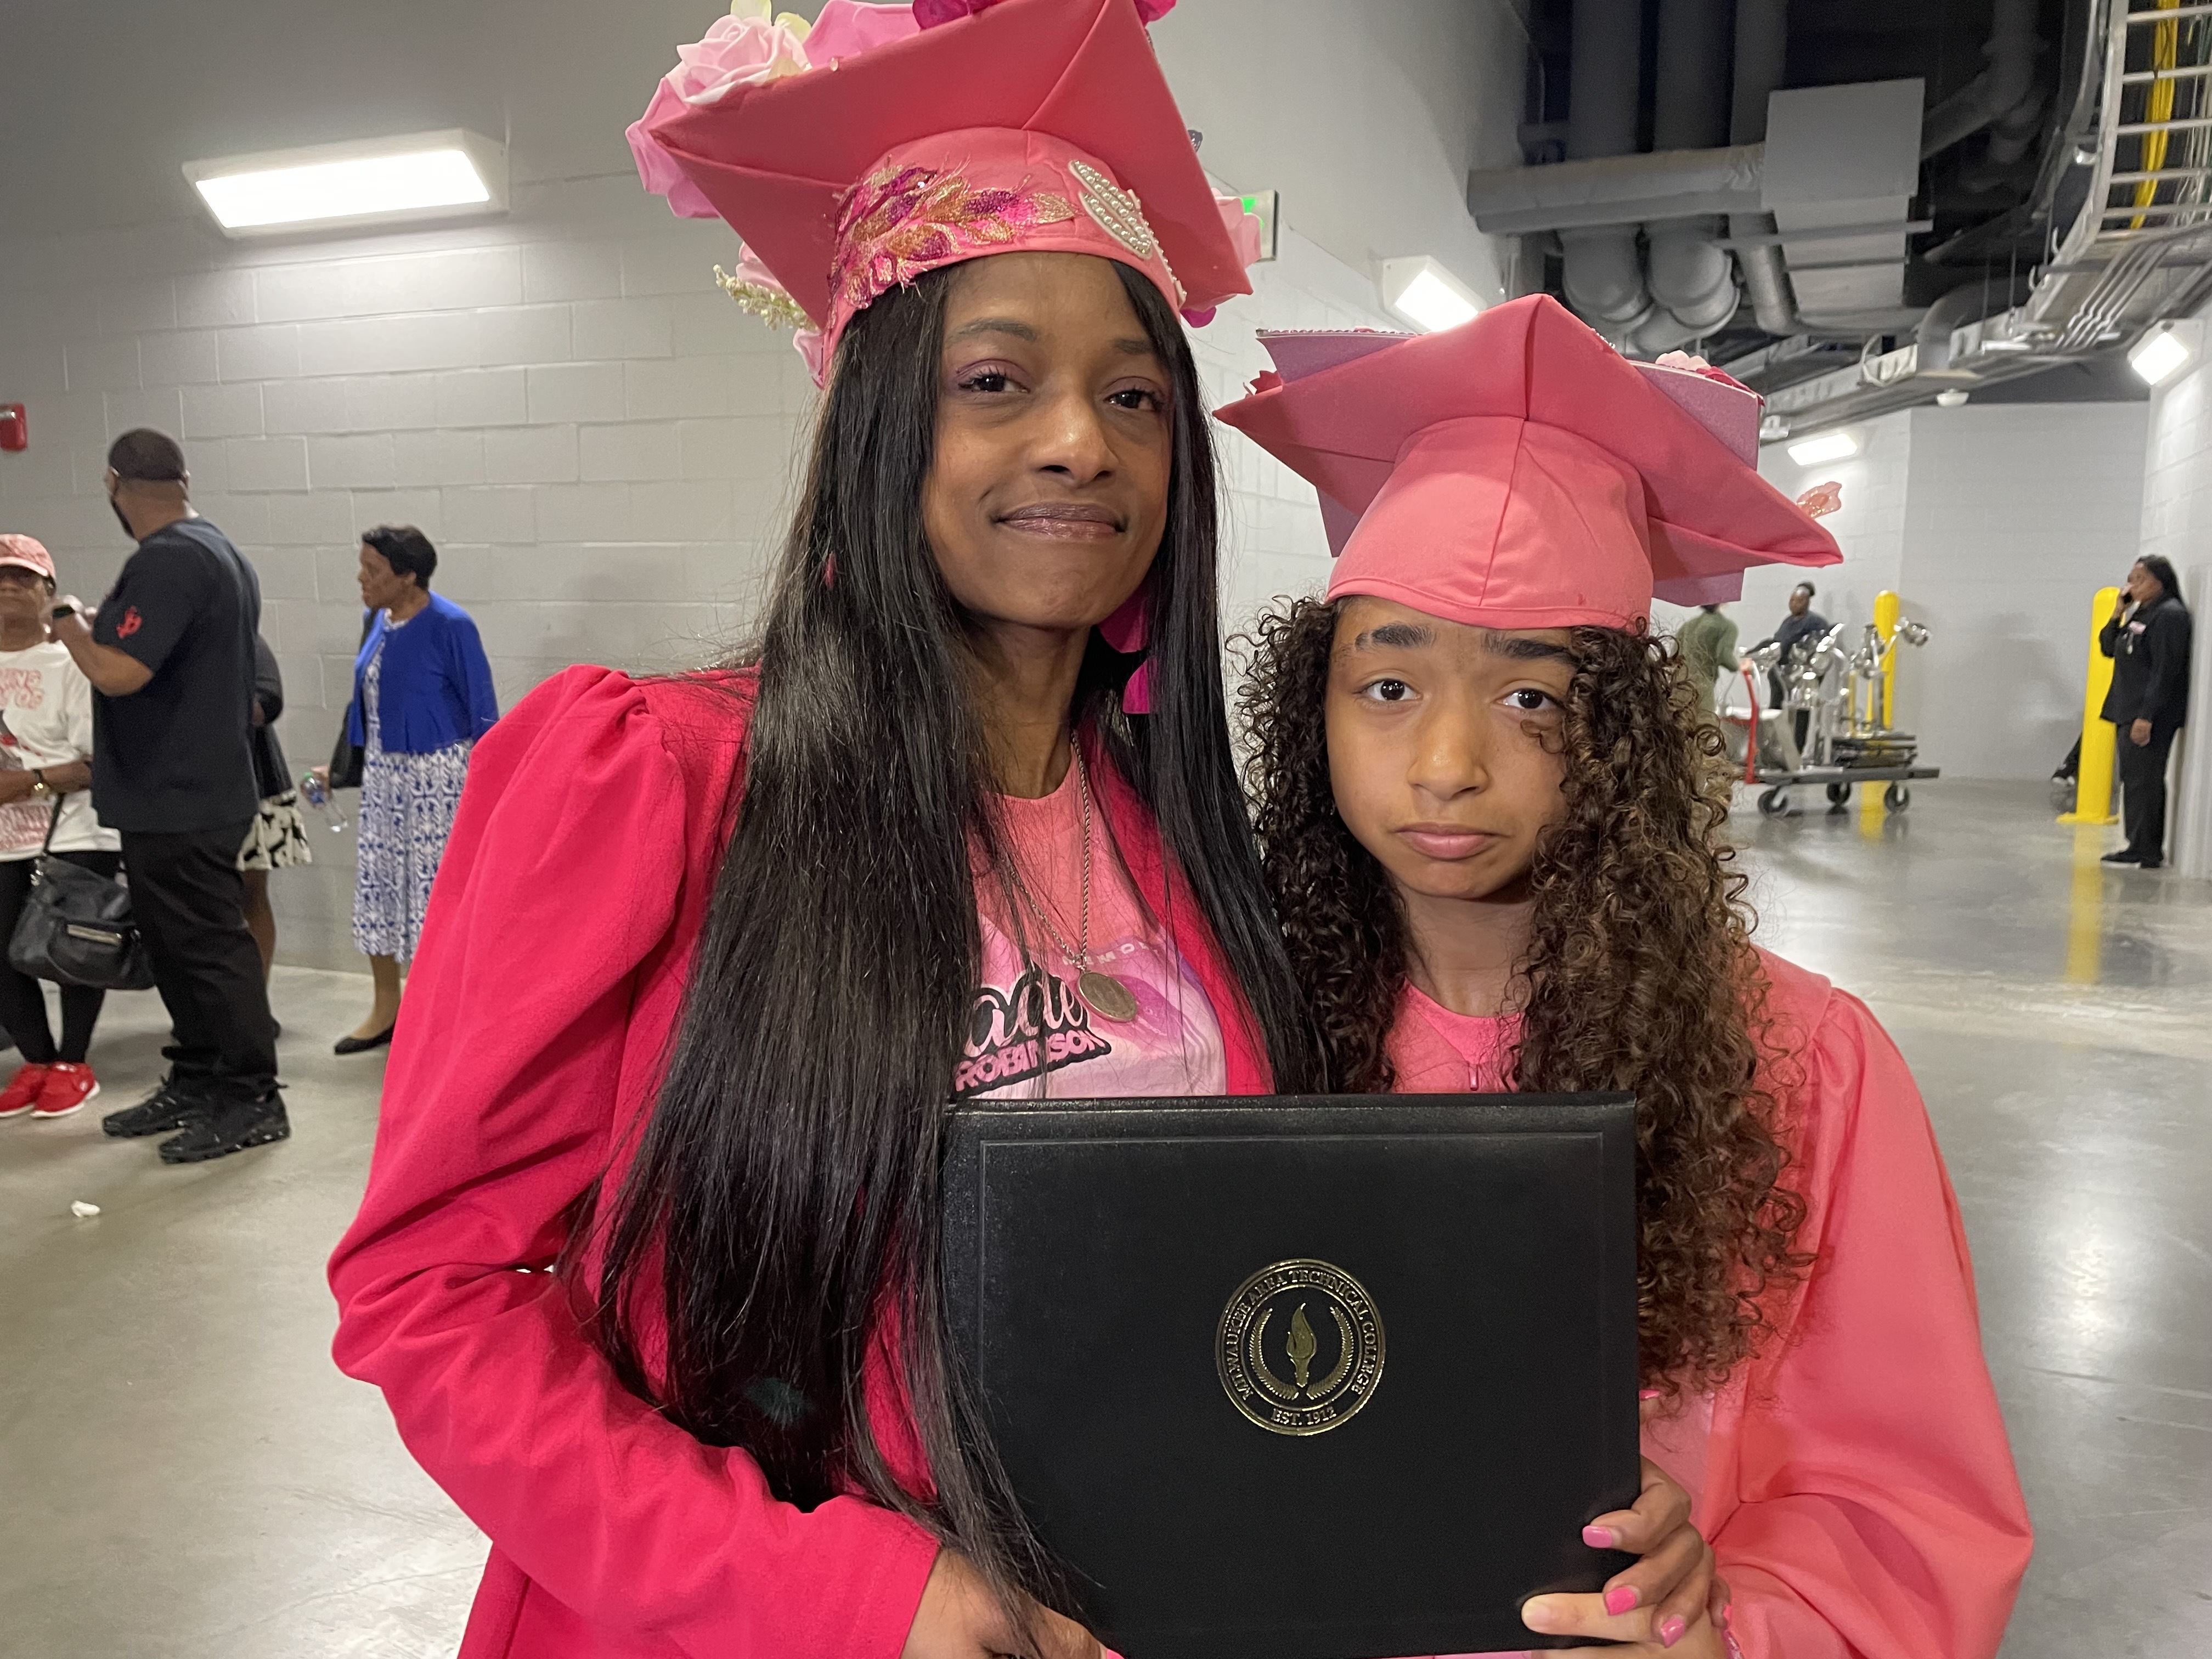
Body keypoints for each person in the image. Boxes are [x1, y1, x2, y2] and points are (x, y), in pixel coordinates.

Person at [329, 7, 1713, 1657]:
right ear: (877, 423)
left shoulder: (1193, 850)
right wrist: (850, 1593)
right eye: (1000, 382)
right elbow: (433, 1300)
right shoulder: (657, 780)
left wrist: (1548, 1493)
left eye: (1135, 396)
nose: (1080, 439)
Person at [1224, 296, 2033, 1658]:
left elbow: (1909, 1511)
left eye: (1533, 696)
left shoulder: (1801, 1063)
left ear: (1622, 737)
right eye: (1390, 685)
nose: (1448, 764)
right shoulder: (1240, 1018)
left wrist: (1725, 1614)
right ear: (1314, 707)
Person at [51, 428, 285, 1163]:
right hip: (182, 794)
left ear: (115, 484)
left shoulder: (170, 561)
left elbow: (121, 673)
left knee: (210, 951)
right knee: (179, 951)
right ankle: (200, 1078)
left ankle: (251, 1095)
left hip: (181, 795)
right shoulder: (216, 551)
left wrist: (66, 628)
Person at [326, 526, 496, 1053]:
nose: (362, 578)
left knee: (432, 898)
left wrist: (489, 789)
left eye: (373, 570)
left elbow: (484, 712)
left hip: (438, 778)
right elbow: (366, 703)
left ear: (408, 575)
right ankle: (386, 1010)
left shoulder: (453, 625)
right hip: (384, 775)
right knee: (378, 891)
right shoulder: (375, 621)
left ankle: (441, 1020)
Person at [0, 534, 122, 1122]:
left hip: (71, 829)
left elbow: (92, 764)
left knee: (74, 947)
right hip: (4, 839)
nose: (7, 587)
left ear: (48, 591)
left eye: (23, 578)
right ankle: (37, 1060)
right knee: (3, 954)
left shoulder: (71, 661)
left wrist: (29, 785)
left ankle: (75, 1063)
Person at [2098, 554, 2192, 868]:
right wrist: (2118, 611)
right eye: (2131, 579)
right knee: (2134, 780)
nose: (2132, 586)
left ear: (2159, 582)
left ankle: (2149, 849)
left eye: (2139, 580)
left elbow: (2165, 672)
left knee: (2147, 780)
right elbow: (2108, 647)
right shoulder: (2143, 612)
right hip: (2128, 708)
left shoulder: (2170, 616)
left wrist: (2146, 716)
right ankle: (2137, 844)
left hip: (2147, 715)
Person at [239, 634, 310, 989]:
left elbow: (269, 699)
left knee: (250, 894)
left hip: (255, 784)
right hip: (184, 794)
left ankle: (254, 1007)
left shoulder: (243, 636)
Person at [1674, 602, 1738, 719]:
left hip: (1679, 686)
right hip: (1702, 688)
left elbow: (1673, 656)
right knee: (1704, 729)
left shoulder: (1688, 625)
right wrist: (1740, 665)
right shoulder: (1727, 626)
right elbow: (1725, 656)